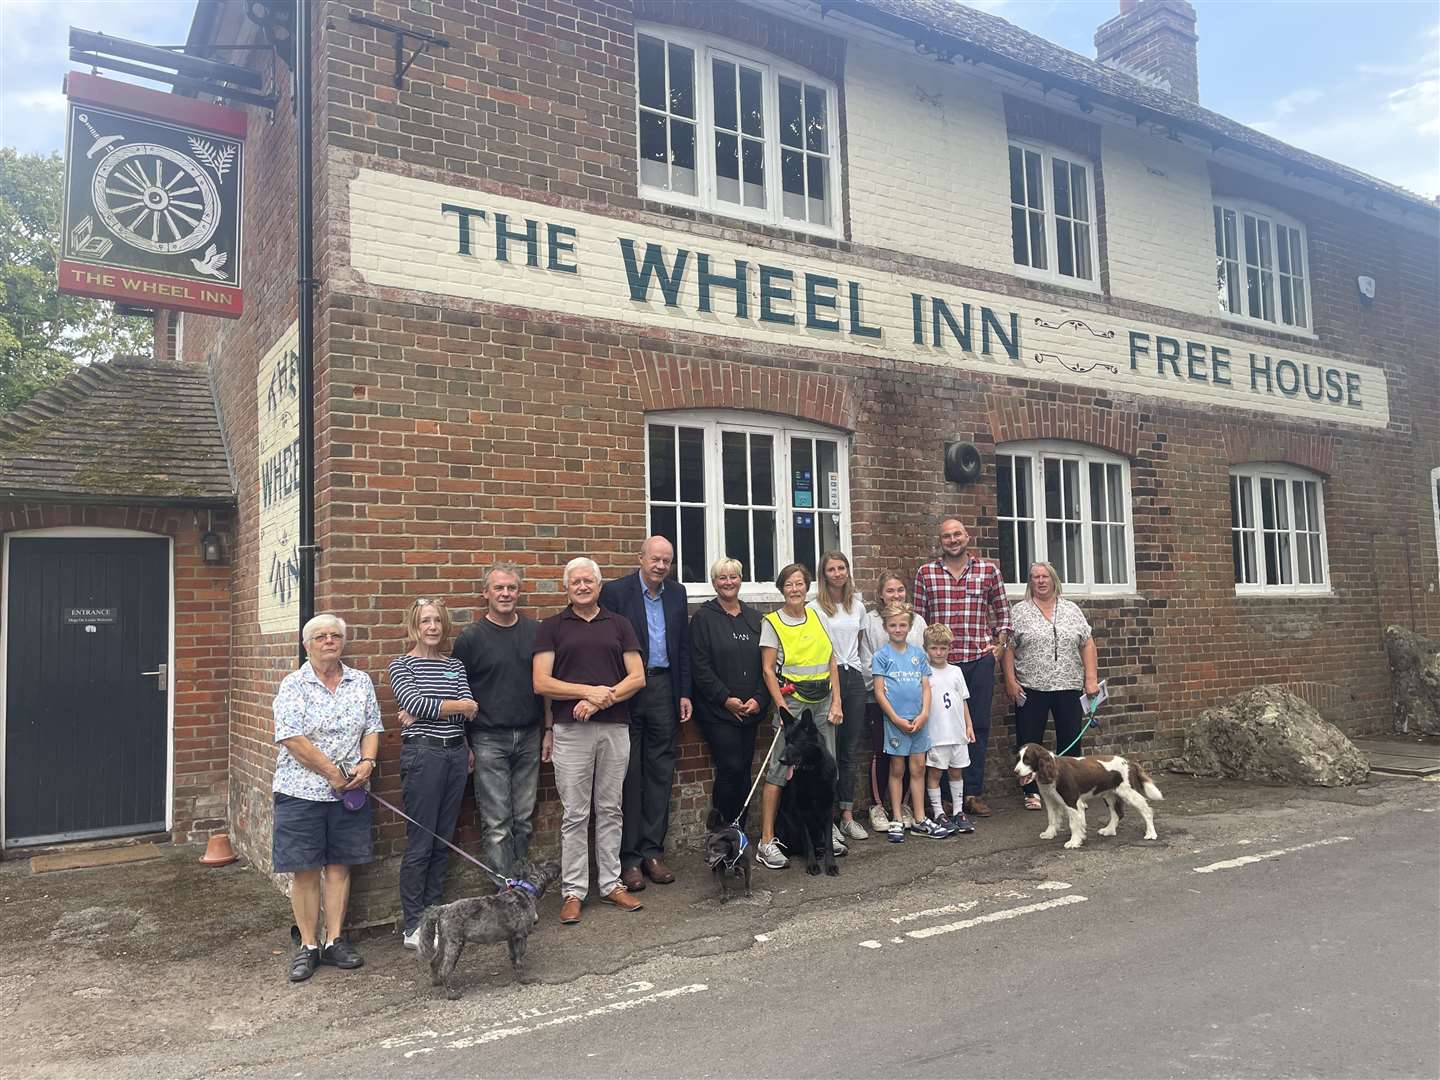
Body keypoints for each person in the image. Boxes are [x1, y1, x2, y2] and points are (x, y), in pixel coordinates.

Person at [534, 557, 647, 925]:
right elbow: (542, 682)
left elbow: (637, 677)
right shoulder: (552, 627)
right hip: (570, 731)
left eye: (589, 581)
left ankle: (611, 884)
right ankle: (573, 891)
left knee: (611, 808)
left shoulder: (619, 624)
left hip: (614, 728)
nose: (582, 586)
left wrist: (603, 699)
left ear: (599, 587)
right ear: (566, 587)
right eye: (575, 582)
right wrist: (588, 693)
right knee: (575, 814)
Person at [271, 613, 383, 983]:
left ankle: (334, 940)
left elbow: (372, 727)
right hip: (301, 792)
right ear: (307, 645)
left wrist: (368, 762)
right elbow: (292, 738)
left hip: (349, 793)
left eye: (336, 636)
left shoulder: (360, 681)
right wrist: (333, 774)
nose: (329, 641)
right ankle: (308, 945)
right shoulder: (293, 685)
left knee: (339, 866)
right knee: (304, 870)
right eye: (321, 637)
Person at [599, 536, 693, 891]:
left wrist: (684, 692)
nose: (660, 566)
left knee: (659, 771)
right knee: (628, 774)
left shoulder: (677, 593)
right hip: (628, 691)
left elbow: (682, 645)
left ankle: (654, 851)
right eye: (655, 559)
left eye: (667, 560)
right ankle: (630, 859)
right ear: (640, 558)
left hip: (664, 688)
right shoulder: (616, 592)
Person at [389, 597, 476, 950]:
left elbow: (471, 707)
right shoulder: (401, 666)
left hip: (456, 753)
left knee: (443, 841)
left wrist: (436, 711)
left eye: (438, 621)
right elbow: (417, 704)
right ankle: (413, 925)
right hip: (423, 756)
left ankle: (434, 920)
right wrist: (448, 708)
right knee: (421, 843)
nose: (432, 627)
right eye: (425, 621)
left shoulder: (454, 665)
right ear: (414, 625)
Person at [914, 517, 1013, 818]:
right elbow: (919, 621)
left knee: (977, 728)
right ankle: (943, 797)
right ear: (940, 541)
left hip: (977, 660)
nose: (953, 540)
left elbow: (1005, 615)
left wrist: (999, 646)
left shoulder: (988, 571)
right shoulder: (926, 574)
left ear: (967, 537)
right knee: (939, 728)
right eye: (947, 536)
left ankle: (972, 792)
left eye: (957, 534)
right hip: (941, 665)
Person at [452, 562, 543, 878]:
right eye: (499, 588)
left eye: (512, 588)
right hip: (488, 738)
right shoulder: (470, 639)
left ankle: (521, 886)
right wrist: (466, 743)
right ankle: (506, 890)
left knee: (524, 819)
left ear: (519, 591)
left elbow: (544, 687)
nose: (506, 594)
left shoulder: (535, 632)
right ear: (485, 593)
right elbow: (459, 692)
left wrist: (549, 732)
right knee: (497, 823)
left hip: (530, 735)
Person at [755, 563, 845, 870]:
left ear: (807, 587)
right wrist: (782, 711)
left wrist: (837, 701)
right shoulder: (773, 622)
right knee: (780, 772)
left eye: (800, 584)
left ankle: (826, 830)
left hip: (823, 703)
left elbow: (831, 659)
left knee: (825, 769)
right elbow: (768, 669)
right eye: (789, 585)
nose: (795, 589)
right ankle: (767, 841)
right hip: (792, 706)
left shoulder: (818, 615)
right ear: (782, 590)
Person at [1002, 561, 1101, 810]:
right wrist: (1011, 681)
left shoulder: (1071, 610)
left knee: (1070, 739)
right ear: (1030, 582)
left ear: (1054, 579)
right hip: (1031, 687)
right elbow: (1008, 648)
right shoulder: (1020, 611)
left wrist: (1090, 678)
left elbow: (1087, 643)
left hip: (1068, 685)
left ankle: (1070, 789)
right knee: (1029, 741)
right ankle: (1031, 791)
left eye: (1045, 576)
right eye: (1035, 577)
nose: (1040, 581)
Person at [689, 557, 766, 828]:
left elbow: (766, 665)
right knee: (730, 767)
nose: (728, 582)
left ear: (740, 579)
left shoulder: (755, 619)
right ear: (714, 582)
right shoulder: (703, 619)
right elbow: (700, 666)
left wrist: (758, 698)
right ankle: (721, 832)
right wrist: (725, 699)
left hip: (751, 711)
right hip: (718, 712)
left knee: (744, 770)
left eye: (733, 576)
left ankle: (739, 831)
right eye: (722, 577)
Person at [872, 602, 950, 841]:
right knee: (897, 769)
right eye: (893, 625)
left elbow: (926, 687)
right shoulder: (881, 656)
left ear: (909, 627)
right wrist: (895, 718)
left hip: (919, 721)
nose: (898, 629)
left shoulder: (918, 655)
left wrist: (925, 713)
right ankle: (896, 817)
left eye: (902, 625)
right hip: (896, 723)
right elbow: (878, 692)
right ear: (885, 627)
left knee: (919, 768)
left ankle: (919, 818)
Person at [809, 550, 871, 848]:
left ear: (848, 571)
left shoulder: (857, 607)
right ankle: (828, 820)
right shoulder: (814, 608)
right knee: (828, 754)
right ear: (824, 574)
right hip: (826, 680)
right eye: (831, 569)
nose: (837, 573)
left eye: (842, 567)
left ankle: (846, 815)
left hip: (853, 678)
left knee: (848, 751)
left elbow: (857, 645)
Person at [862, 570, 928, 832]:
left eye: (900, 589)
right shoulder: (870, 621)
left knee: (912, 755)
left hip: (912, 703)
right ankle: (879, 806)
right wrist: (884, 688)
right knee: (883, 752)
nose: (895, 594)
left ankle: (904, 805)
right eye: (890, 590)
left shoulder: (917, 621)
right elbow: (866, 659)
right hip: (882, 700)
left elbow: (922, 659)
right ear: (880, 593)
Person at [921, 623, 976, 834]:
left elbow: (963, 701)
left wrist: (969, 726)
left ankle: (958, 811)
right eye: (934, 648)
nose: (939, 652)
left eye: (943, 648)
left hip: (957, 733)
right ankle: (938, 812)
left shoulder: (956, 671)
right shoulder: (925, 673)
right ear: (926, 648)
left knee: (956, 772)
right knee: (935, 773)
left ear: (949, 648)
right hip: (937, 734)